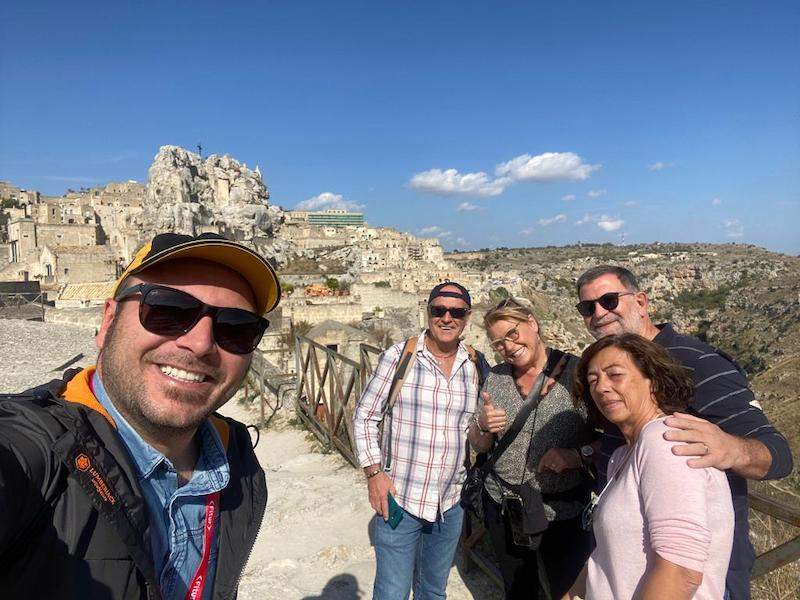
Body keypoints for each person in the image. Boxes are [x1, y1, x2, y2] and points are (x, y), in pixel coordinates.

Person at [0, 232, 281, 599]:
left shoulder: (237, 460)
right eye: (168, 311)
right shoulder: (36, 450)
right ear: (108, 322)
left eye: (235, 329)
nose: (199, 344)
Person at [575, 264, 793, 599]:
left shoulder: (697, 362)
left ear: (642, 302)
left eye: (609, 300)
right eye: (587, 308)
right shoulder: (608, 373)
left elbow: (778, 454)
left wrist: (731, 449)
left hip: (698, 573)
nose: (599, 313)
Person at [567, 333, 735, 600]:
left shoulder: (665, 441)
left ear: (653, 381)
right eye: (593, 381)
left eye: (615, 374)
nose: (601, 387)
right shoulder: (623, 455)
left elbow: (680, 574)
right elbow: (609, 555)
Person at [352, 281, 484, 600]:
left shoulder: (475, 365)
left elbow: (477, 428)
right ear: (428, 313)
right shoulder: (401, 357)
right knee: (392, 592)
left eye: (457, 312)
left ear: (467, 318)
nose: (447, 318)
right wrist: (374, 474)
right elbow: (365, 416)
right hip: (401, 497)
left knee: (433, 591)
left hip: (450, 503)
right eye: (439, 310)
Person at [469, 298, 594, 600]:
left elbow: (614, 439)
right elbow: (479, 443)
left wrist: (577, 456)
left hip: (561, 512)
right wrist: (483, 426)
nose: (508, 347)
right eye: (498, 343)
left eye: (512, 334)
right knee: (518, 588)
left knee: (568, 590)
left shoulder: (578, 374)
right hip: (504, 506)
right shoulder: (495, 378)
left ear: (532, 323)